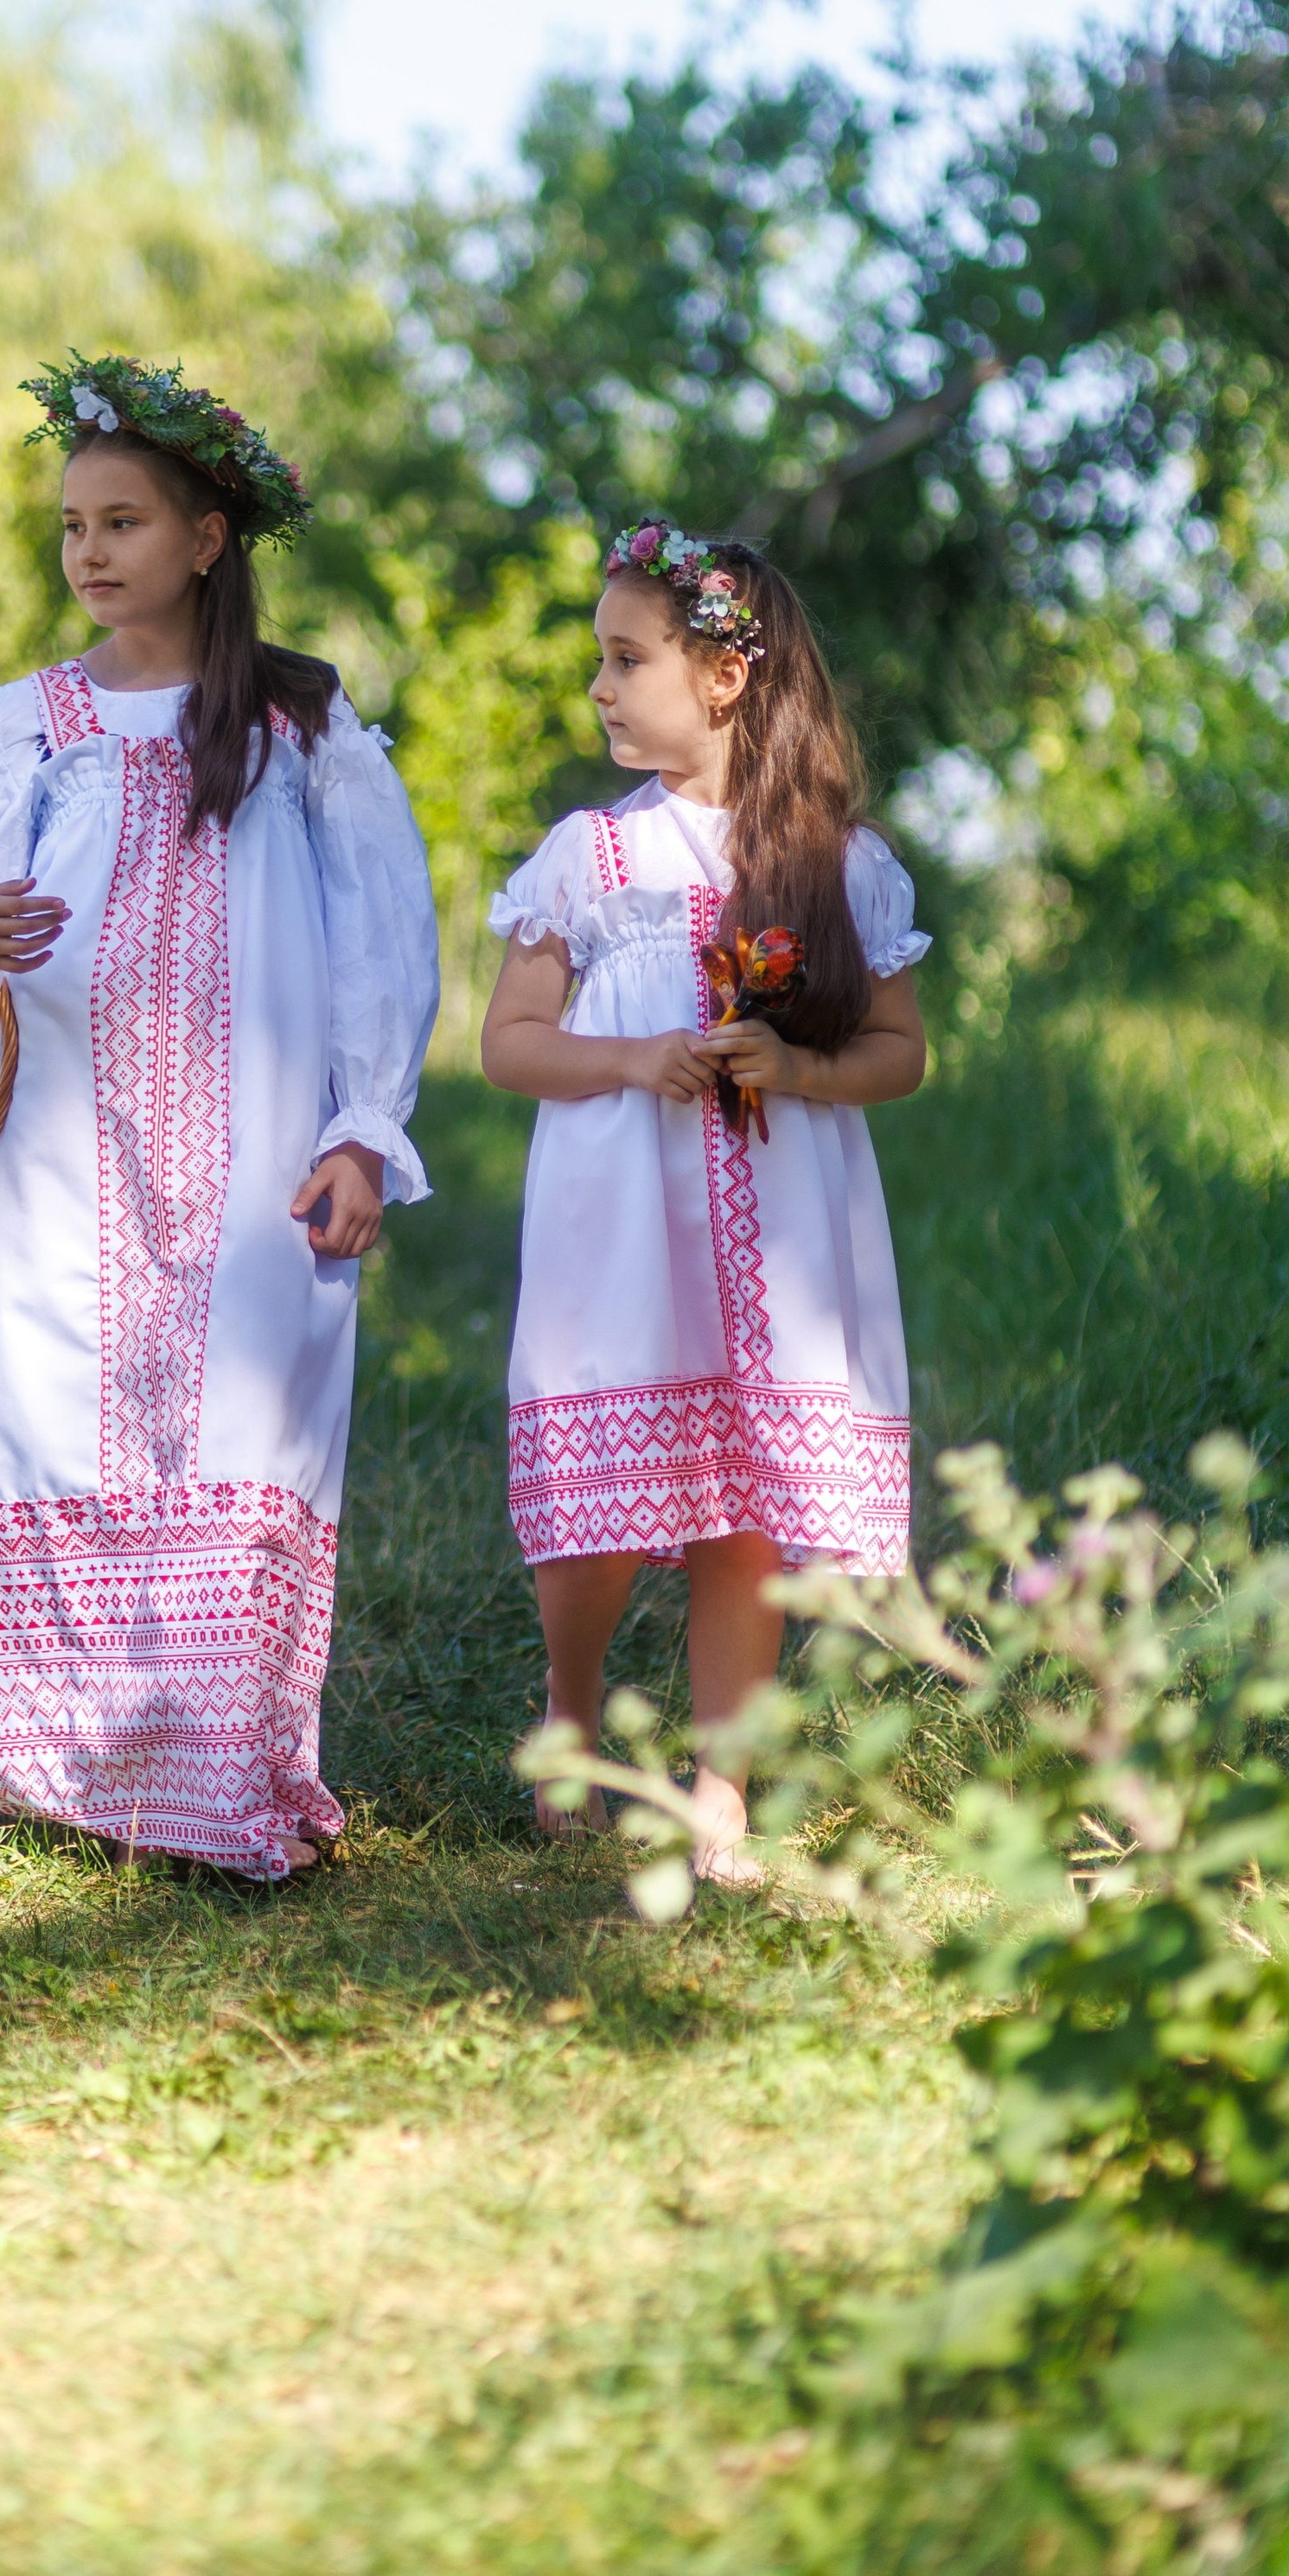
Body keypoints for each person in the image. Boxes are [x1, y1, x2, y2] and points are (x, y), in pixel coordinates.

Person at [0, 354, 439, 1881]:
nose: (89, 551)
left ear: (208, 539)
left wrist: (360, 1129)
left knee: (245, 1417)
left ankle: (221, 1774)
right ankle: (66, 1776)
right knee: (59, 1413)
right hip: (66, 1157)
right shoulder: (40, 724)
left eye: (123, 520)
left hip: (254, 1156)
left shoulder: (296, 725)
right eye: (72, 524)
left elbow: (386, 941)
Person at [480, 522, 928, 1880]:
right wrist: (634, 1058)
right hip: (621, 1217)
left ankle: (721, 1784)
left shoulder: (842, 865)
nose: (602, 691)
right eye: (599, 664)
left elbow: (900, 1054)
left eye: (628, 661)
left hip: (783, 1227)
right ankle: (573, 1714)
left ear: (726, 675)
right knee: (607, 1496)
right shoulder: (590, 858)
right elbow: (510, 1041)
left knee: (744, 1503)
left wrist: (793, 1064)